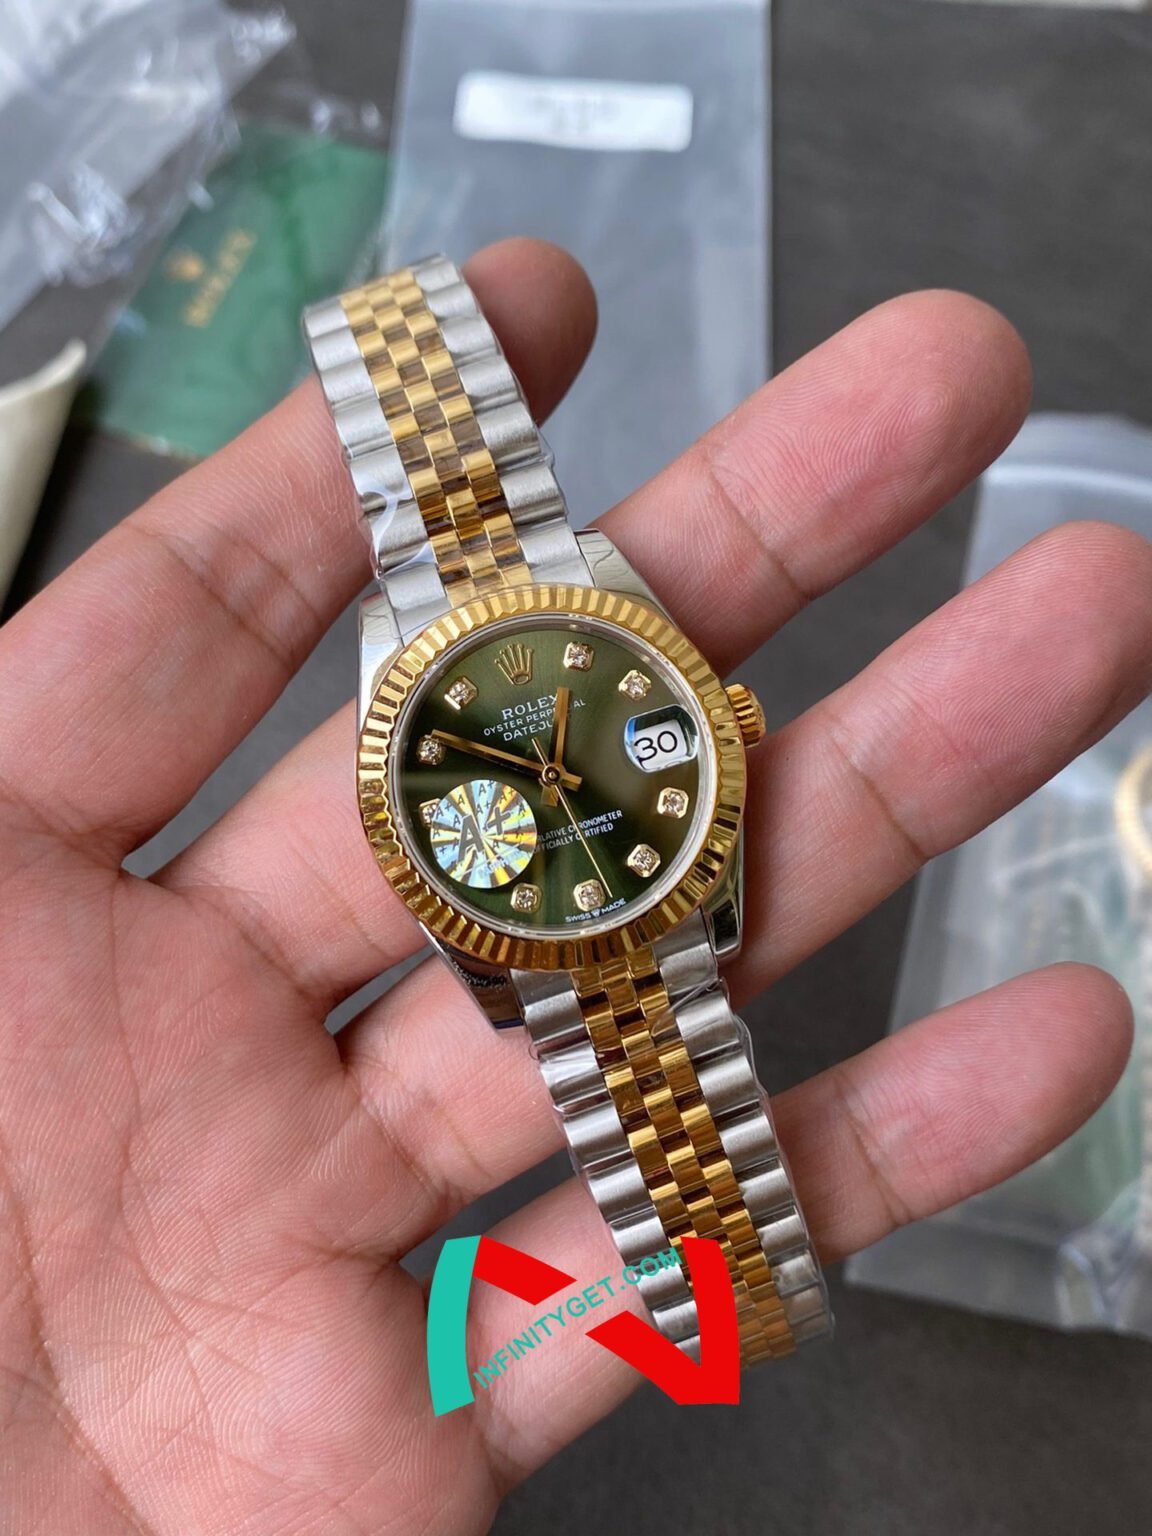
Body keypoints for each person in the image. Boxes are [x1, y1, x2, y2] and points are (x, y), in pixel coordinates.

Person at [0, 239, 1148, 1533]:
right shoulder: (438, 721)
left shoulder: (595, 647)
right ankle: (735, 1294)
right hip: (570, 908)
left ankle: (734, 1294)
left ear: (719, 724)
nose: (551, 774)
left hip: (623, 885)